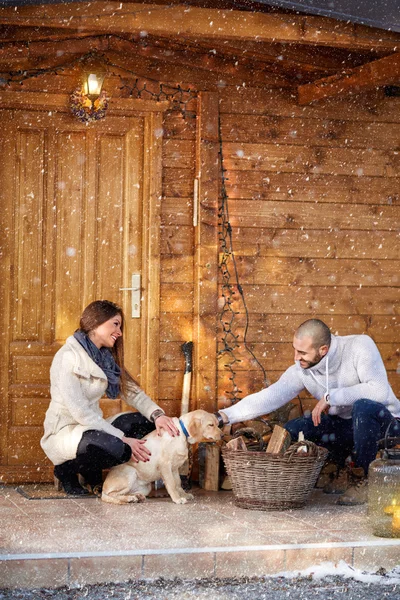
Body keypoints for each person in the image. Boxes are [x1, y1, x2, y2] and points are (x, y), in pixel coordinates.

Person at [215, 319, 400, 506]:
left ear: (323, 350)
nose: (296, 357)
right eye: (295, 349)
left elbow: (379, 390)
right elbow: (270, 396)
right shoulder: (302, 369)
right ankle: (340, 466)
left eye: (302, 352)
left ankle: (364, 478)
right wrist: (225, 416)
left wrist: (330, 398)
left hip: (385, 425)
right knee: (296, 427)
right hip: (348, 427)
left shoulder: (359, 346)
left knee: (363, 407)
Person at [41, 300, 179, 496]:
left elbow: (132, 393)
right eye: (115, 324)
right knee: (119, 447)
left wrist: (158, 416)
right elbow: (80, 412)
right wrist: (123, 438)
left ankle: (93, 472)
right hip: (66, 430)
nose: (119, 332)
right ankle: (66, 470)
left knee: (145, 423)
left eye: (120, 326)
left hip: (92, 428)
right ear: (95, 323)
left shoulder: (105, 359)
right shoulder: (67, 357)